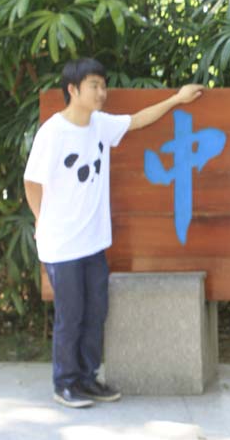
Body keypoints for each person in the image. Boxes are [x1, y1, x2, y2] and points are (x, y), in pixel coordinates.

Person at [24, 58, 204, 408]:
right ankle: (65, 383)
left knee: (95, 312)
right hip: (61, 245)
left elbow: (137, 120)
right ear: (73, 89)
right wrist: (41, 220)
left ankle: (88, 378)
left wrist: (177, 99)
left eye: (103, 86)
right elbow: (32, 182)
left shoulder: (100, 125)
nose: (101, 92)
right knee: (71, 315)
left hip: (93, 242)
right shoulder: (53, 132)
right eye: (94, 86)